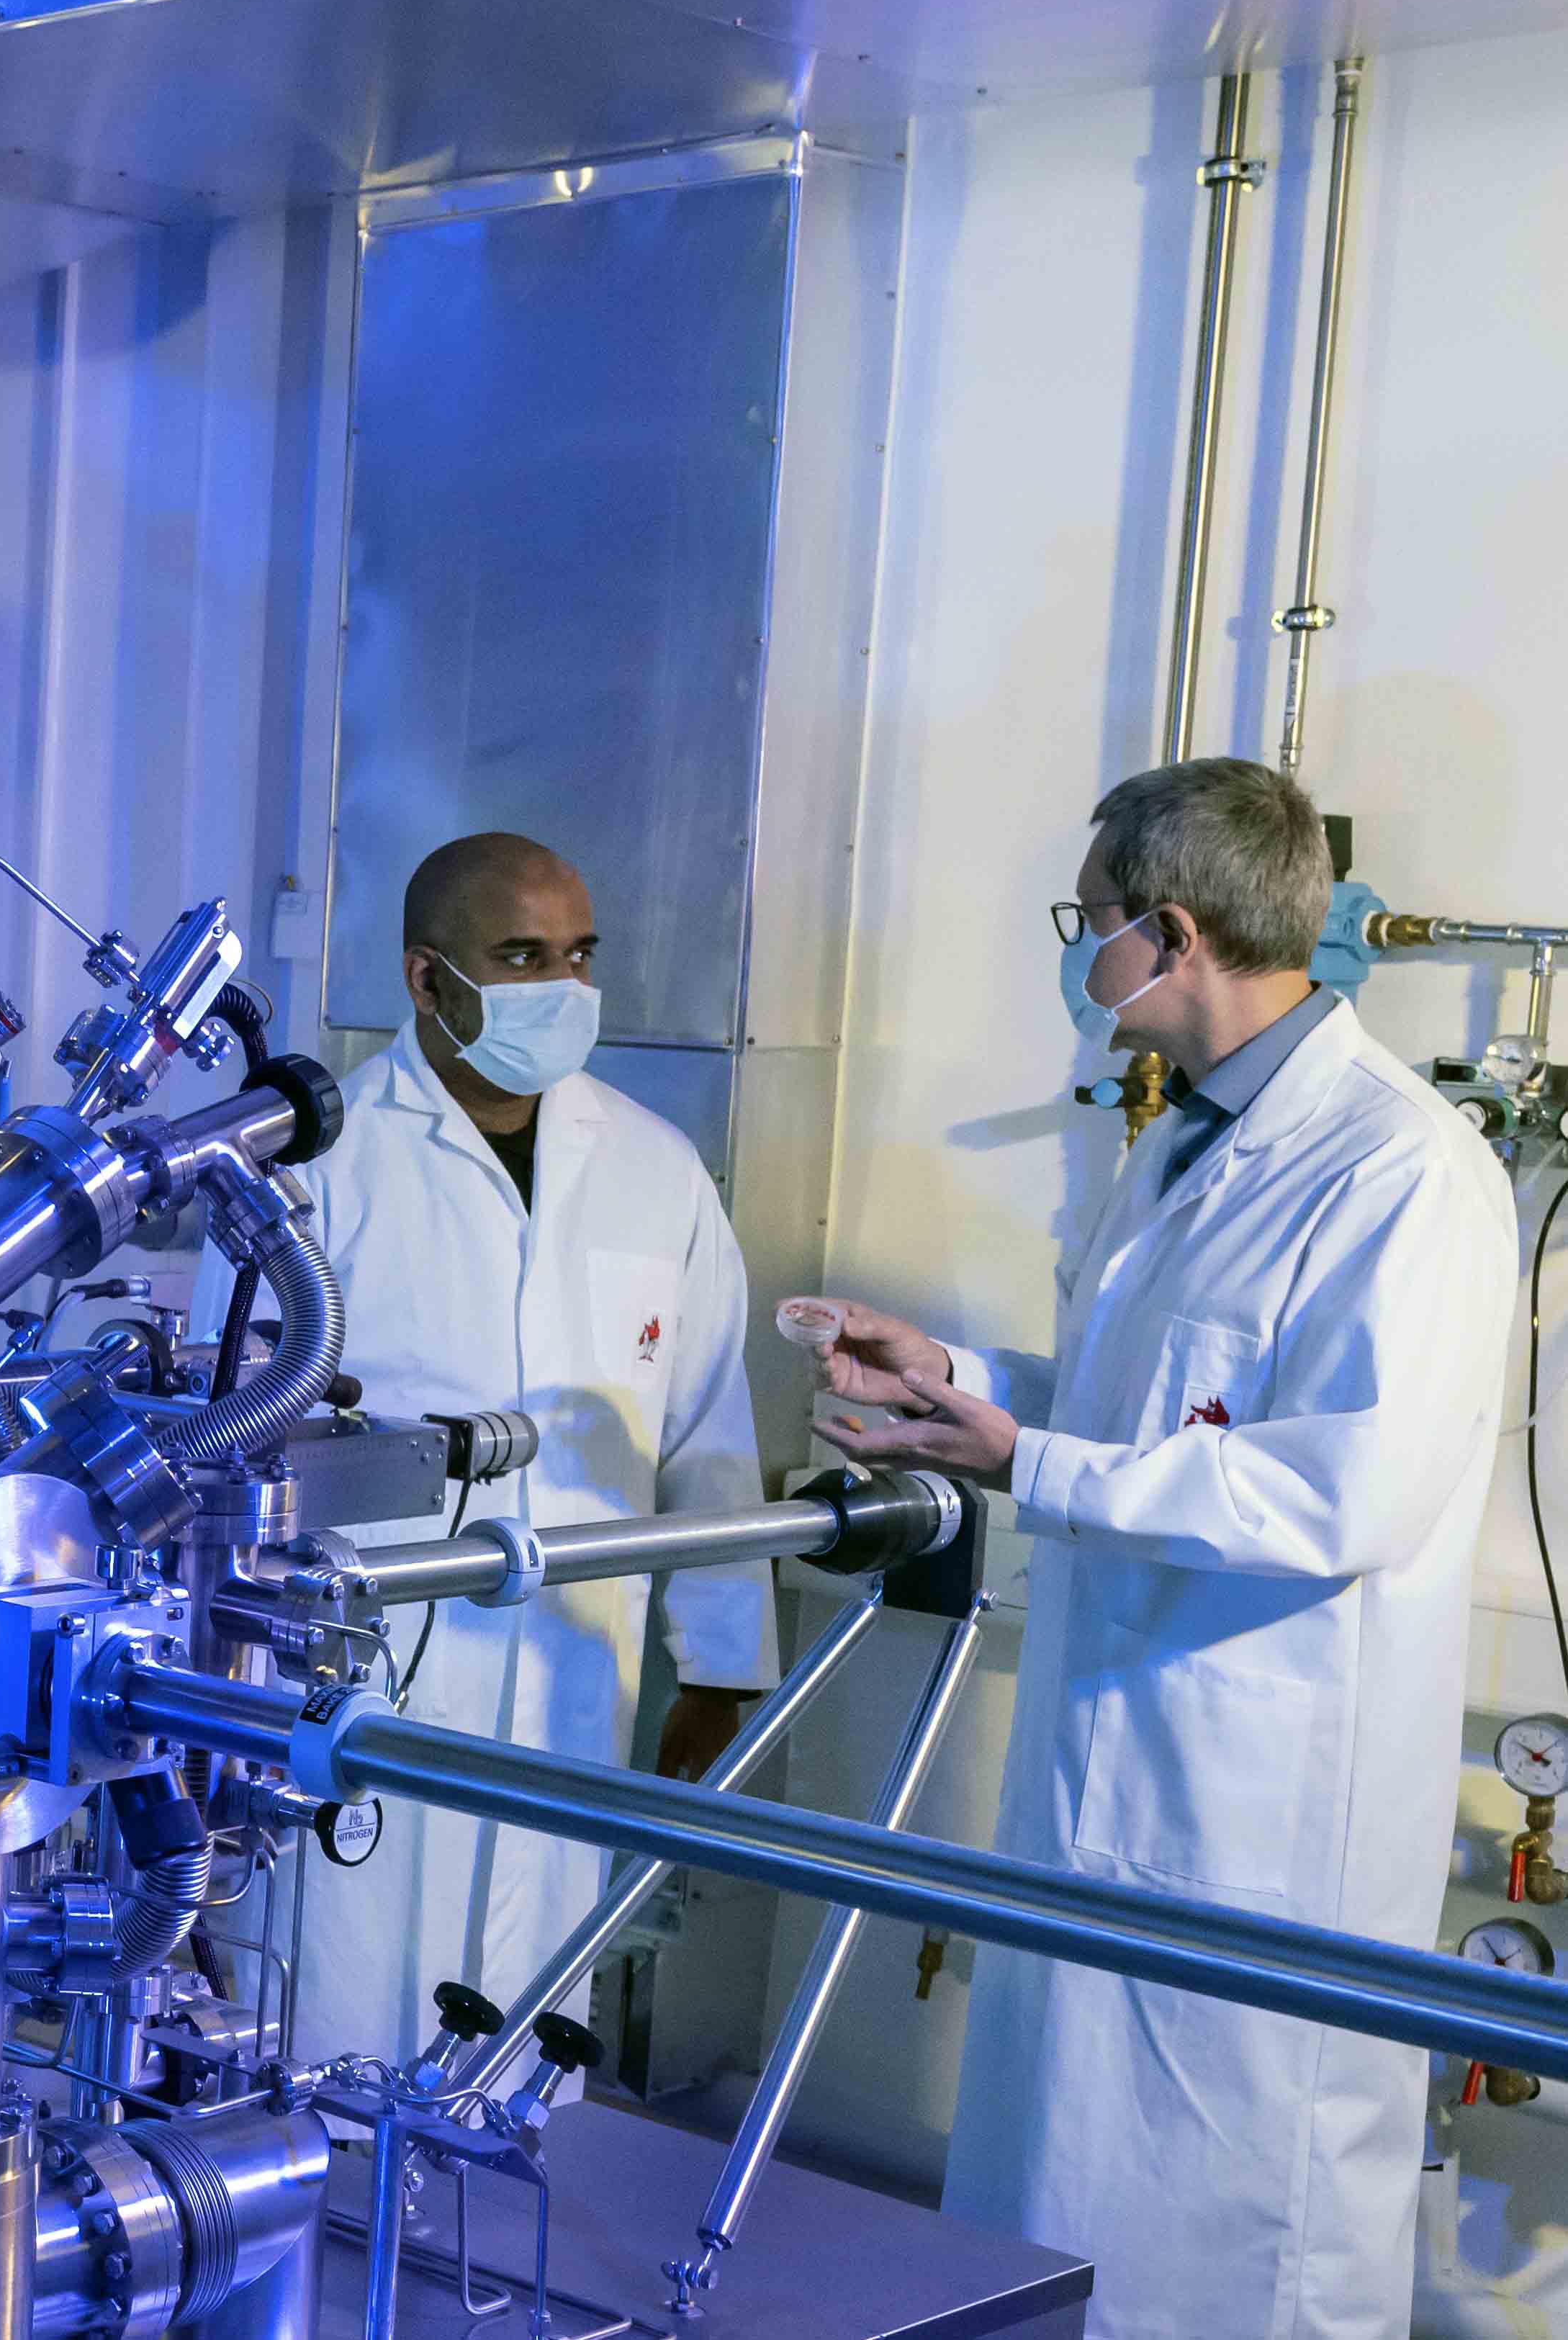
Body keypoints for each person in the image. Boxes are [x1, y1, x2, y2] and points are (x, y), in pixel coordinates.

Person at [798, 759, 1512, 2340]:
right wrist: (954, 1377)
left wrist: (1023, 1461)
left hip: (1259, 1822)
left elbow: (1346, 1495)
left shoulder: (1398, 1171)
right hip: (1115, 1777)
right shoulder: (1184, 1138)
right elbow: (1158, 1410)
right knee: (1064, 2213)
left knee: (1241, 2252)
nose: (1083, 954)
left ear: (1172, 933)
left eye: (1093, 922)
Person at [266, 832, 776, 2069]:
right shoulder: (321, 1163)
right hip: (366, 1668)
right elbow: (239, 1427)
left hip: (569, 1671)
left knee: (529, 2016)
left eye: (578, 955)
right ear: (426, 977)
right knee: (333, 2003)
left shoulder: (653, 1168)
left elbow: (703, 1429)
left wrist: (720, 1666)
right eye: (521, 957)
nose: (563, 988)